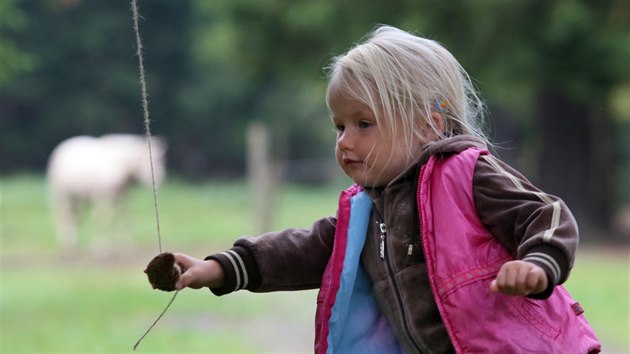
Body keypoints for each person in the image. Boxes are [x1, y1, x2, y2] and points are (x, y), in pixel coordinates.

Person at [167, 25, 600, 353]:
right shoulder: (366, 211)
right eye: (339, 126)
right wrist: (220, 268)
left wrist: (538, 265)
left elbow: (546, 214)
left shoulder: (466, 173)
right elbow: (302, 250)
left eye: (363, 124)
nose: (345, 141)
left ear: (428, 124)